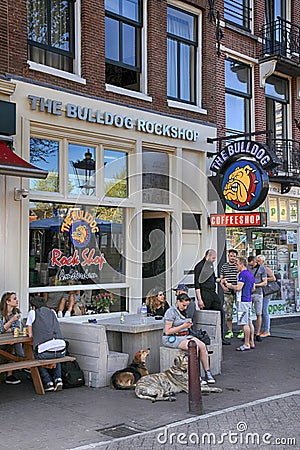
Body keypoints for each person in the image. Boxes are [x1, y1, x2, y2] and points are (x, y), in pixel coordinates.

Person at [162, 293, 215, 384]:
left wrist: (188, 325)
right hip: (172, 337)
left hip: (185, 335)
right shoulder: (170, 312)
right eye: (183, 305)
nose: (185, 308)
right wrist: (183, 326)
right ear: (178, 302)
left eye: (187, 306)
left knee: (202, 346)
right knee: (194, 347)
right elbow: (167, 331)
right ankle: (195, 375)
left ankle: (207, 372)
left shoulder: (184, 311)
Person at [26, 296, 66, 392]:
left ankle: (48, 382)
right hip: (62, 350)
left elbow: (30, 335)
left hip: (46, 352)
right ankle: (58, 379)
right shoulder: (52, 312)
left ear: (33, 306)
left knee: (35, 355)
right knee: (56, 354)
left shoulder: (33, 313)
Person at [194, 249, 230, 345]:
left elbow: (213, 278)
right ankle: (206, 337)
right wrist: (200, 299)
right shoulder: (199, 266)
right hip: (204, 293)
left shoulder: (210, 265)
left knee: (220, 313)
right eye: (213, 258)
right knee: (207, 316)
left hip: (212, 292)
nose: (214, 260)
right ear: (208, 256)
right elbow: (197, 284)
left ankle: (221, 337)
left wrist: (220, 280)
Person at [226, 257, 255, 351]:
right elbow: (253, 288)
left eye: (237, 264)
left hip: (242, 300)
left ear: (242, 264)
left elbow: (239, 287)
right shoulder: (250, 274)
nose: (236, 266)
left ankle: (246, 343)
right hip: (248, 300)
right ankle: (251, 342)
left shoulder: (242, 274)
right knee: (249, 322)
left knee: (244, 323)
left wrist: (230, 285)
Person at [0, 292, 25, 384]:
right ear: (7, 301)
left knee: (14, 345)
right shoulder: (1, 314)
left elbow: (17, 328)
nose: (17, 300)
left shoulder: (16, 313)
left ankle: (10, 375)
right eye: (14, 299)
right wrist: (11, 321)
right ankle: (23, 360)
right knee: (11, 348)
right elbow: (1, 329)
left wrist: (7, 328)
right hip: (2, 341)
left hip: (11, 339)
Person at [220, 249, 243, 339]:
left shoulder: (238, 266)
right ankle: (230, 331)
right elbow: (221, 279)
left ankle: (242, 330)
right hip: (228, 293)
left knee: (240, 311)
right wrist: (223, 287)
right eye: (231, 256)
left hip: (238, 292)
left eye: (234, 256)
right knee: (228, 312)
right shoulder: (224, 267)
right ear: (228, 256)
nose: (232, 258)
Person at [247, 256, 267, 342]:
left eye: (252, 265)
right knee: (247, 314)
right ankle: (248, 333)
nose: (250, 267)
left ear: (255, 262)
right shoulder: (247, 267)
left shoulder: (262, 269)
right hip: (249, 293)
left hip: (258, 293)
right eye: (249, 265)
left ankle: (257, 333)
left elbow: (265, 282)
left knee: (259, 314)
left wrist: (255, 285)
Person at [256, 255, 276, 337]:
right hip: (261, 292)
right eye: (256, 260)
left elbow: (273, 278)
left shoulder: (266, 269)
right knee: (261, 311)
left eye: (259, 260)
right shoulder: (257, 269)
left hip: (266, 292)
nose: (257, 262)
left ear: (263, 262)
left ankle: (267, 330)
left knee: (264, 310)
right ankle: (263, 329)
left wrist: (264, 279)